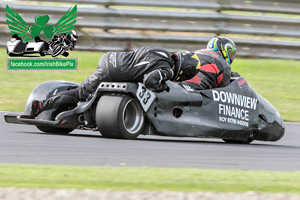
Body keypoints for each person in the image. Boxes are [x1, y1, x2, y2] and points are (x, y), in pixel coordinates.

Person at [30, 46, 199, 118]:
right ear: (184, 70)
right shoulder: (167, 69)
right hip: (112, 71)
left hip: (111, 58)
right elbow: (150, 81)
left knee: (84, 90)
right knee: (79, 94)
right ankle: (42, 106)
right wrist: (161, 86)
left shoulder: (162, 52)